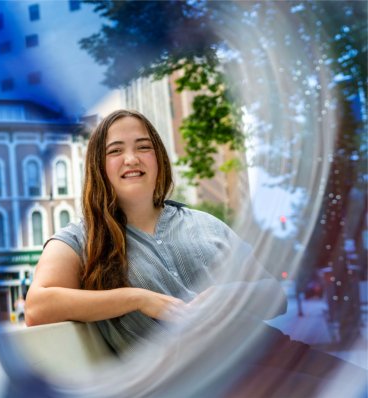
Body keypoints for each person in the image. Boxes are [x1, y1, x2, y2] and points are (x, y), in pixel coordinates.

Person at [25, 109, 366, 396]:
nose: (131, 158)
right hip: (199, 383)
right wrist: (139, 299)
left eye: (143, 147)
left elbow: (274, 294)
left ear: (158, 159)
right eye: (115, 151)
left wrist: (229, 295)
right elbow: (39, 306)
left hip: (272, 353)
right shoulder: (80, 238)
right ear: (99, 166)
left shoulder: (206, 223)